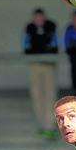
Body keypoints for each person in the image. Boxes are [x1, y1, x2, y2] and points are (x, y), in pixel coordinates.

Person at [23, 8, 58, 139]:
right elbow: (25, 45)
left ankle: (50, 126)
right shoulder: (29, 28)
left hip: (48, 64)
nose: (39, 20)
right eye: (37, 18)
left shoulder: (51, 27)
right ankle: (41, 125)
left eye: (41, 17)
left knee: (49, 95)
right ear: (34, 18)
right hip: (34, 65)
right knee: (37, 95)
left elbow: (55, 44)